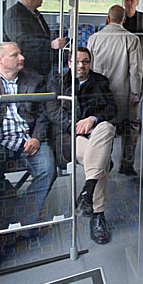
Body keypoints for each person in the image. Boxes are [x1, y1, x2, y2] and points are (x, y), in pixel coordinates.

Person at [47, 47, 116, 244]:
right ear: (69, 63)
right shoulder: (58, 82)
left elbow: (112, 108)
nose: (81, 65)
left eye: (85, 61)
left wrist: (93, 119)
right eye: (76, 61)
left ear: (90, 63)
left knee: (107, 127)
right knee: (100, 161)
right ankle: (97, 214)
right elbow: (52, 111)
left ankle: (88, 190)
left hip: (96, 133)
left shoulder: (100, 81)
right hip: (70, 136)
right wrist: (75, 125)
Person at [0, 42, 56, 234]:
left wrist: (36, 138)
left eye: (20, 53)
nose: (22, 58)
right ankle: (12, 205)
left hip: (28, 138)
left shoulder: (35, 80)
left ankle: (25, 222)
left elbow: (44, 115)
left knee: (48, 170)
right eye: (15, 55)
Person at [88, 5, 143, 177]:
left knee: (105, 127)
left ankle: (104, 162)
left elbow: (89, 66)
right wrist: (136, 93)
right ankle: (126, 164)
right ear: (124, 19)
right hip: (125, 93)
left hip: (102, 95)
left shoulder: (94, 39)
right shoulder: (131, 39)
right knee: (131, 127)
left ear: (108, 18)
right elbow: (135, 71)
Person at [3, 0, 66, 77]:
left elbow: (43, 35)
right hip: (27, 68)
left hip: (41, 66)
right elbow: (21, 41)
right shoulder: (14, 14)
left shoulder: (35, 14)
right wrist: (51, 44)